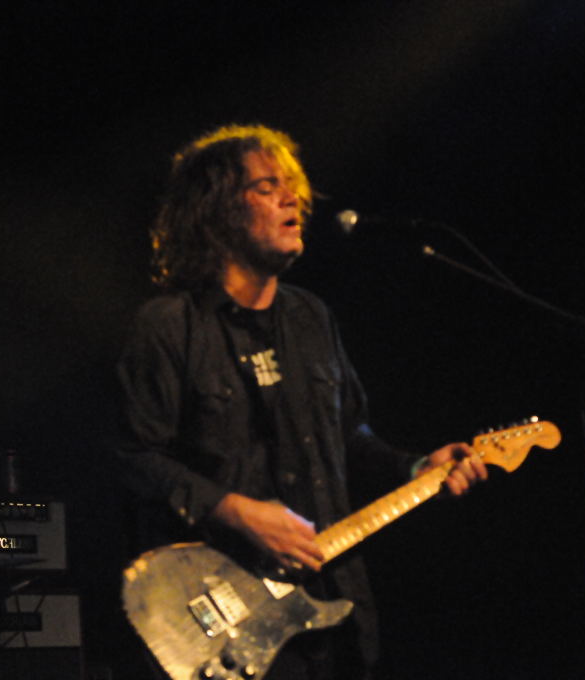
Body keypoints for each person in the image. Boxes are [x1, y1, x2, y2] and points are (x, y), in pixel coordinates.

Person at [114, 123, 487, 680]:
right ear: (217, 210)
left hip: (335, 608)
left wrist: (415, 468)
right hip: (230, 625)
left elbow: (349, 439)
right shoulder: (169, 326)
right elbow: (132, 458)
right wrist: (234, 510)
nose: (291, 199)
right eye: (266, 187)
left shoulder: (311, 318)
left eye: (293, 187)